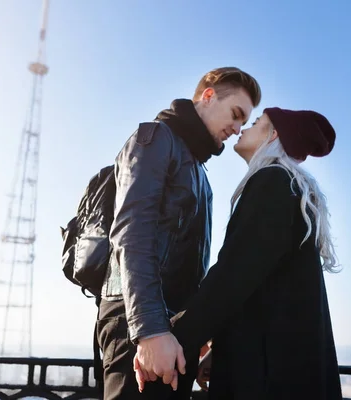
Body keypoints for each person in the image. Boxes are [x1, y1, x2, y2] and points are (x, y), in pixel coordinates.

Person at [135, 107, 344, 399]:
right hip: (283, 365)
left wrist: (171, 338)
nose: (242, 129)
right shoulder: (288, 187)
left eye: (256, 123)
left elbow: (231, 278)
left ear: (273, 135)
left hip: (269, 376)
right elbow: (258, 286)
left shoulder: (273, 182)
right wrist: (219, 349)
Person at [96, 67, 261, 399]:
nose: (238, 128)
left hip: (172, 331)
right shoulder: (156, 138)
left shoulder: (199, 171)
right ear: (209, 95)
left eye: (245, 121)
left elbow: (192, 264)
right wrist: (150, 330)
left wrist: (197, 330)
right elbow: (132, 233)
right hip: (138, 324)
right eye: (236, 114)